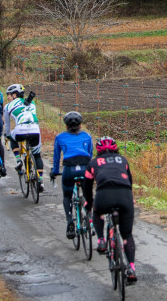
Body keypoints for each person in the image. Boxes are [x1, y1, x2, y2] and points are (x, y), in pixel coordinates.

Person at [82, 136, 137, 284]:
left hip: (104, 196)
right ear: (116, 148)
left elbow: (86, 187)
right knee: (127, 235)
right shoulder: (123, 160)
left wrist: (89, 203)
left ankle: (101, 240)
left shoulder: (93, 163)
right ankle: (131, 267)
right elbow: (129, 181)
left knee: (97, 211)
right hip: (125, 196)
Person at [50, 111, 94, 238]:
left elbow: (57, 157)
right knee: (88, 193)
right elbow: (90, 154)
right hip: (85, 167)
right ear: (80, 125)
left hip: (69, 169)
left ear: (66, 125)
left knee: (67, 195)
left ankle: (70, 220)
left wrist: (55, 171)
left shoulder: (60, 137)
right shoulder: (87, 136)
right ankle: (89, 217)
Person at [7, 84, 44, 192]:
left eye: (8, 95)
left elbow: (8, 128)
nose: (8, 98)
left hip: (20, 131)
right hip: (35, 130)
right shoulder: (32, 103)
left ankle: (18, 160)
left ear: (14, 95)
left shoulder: (8, 106)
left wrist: (7, 136)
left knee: (12, 137)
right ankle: (40, 181)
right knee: (37, 155)